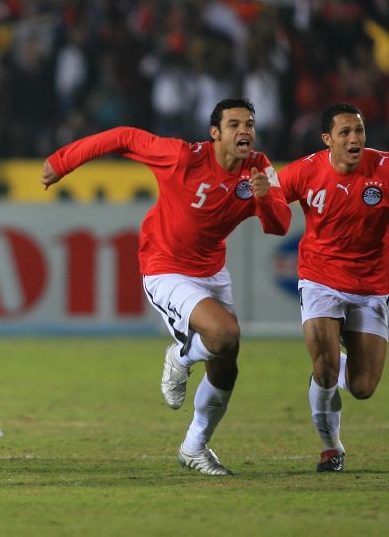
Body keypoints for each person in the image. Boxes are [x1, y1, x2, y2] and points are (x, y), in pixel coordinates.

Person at [41, 98, 290, 475]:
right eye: (235, 124)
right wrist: (62, 162)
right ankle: (181, 357)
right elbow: (124, 137)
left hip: (212, 271)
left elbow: (280, 225)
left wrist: (265, 198)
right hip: (165, 267)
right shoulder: (181, 157)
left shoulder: (260, 168)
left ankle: (194, 448)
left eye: (250, 124)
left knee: (226, 366)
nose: (245, 131)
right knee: (223, 333)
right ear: (215, 133)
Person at [277, 103, 389, 473]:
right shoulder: (306, 171)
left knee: (362, 387)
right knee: (324, 369)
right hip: (320, 279)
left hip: (373, 286)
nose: (355, 138)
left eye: (359, 130)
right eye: (345, 132)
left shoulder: (385, 169)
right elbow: (269, 203)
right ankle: (331, 447)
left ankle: (332, 360)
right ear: (328, 140)